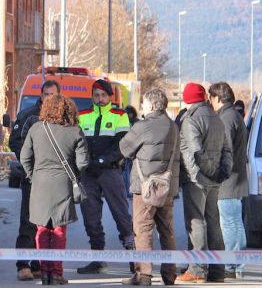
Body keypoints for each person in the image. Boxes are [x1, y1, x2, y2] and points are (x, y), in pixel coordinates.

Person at [21, 95, 89, 285]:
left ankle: (44, 273)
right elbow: (83, 162)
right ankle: (57, 273)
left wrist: (33, 177)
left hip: (40, 184)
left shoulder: (36, 129)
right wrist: (73, 175)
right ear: (70, 111)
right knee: (59, 229)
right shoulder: (75, 131)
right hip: (63, 184)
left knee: (41, 228)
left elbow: (25, 157)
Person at [119, 89, 180, 286]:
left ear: (152, 105)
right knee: (167, 230)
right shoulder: (173, 126)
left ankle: (143, 275)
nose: (142, 107)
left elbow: (125, 148)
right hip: (167, 186)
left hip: (145, 187)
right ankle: (169, 274)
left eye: (144, 103)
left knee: (142, 229)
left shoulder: (142, 126)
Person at [76, 79, 135, 275]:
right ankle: (97, 259)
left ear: (110, 97)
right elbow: (78, 142)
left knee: (121, 215)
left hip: (110, 171)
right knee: (90, 218)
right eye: (96, 95)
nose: (100, 99)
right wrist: (84, 163)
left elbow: (122, 144)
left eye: (103, 95)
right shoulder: (83, 115)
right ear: (92, 96)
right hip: (88, 175)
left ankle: (134, 258)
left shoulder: (120, 115)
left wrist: (101, 161)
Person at [176, 82, 233, 283]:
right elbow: (227, 149)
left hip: (197, 179)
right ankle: (217, 270)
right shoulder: (216, 118)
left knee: (196, 221)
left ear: (187, 98)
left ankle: (197, 269)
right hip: (214, 179)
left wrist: (198, 175)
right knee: (213, 222)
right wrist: (222, 172)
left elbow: (195, 152)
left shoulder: (190, 120)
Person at [9, 80, 60, 281]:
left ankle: (39, 264)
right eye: (45, 94)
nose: (48, 98)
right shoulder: (28, 116)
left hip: (54, 179)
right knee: (29, 221)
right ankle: (23, 265)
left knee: (48, 224)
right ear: (41, 95)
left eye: (52, 94)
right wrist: (31, 160)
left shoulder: (63, 117)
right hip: (32, 177)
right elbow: (14, 141)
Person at [208, 82, 248, 279]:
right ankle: (237, 264)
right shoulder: (235, 115)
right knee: (236, 222)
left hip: (227, 180)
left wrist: (217, 173)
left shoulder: (225, 117)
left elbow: (225, 150)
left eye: (211, 98)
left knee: (229, 223)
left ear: (217, 98)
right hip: (237, 177)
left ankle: (232, 265)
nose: (210, 102)